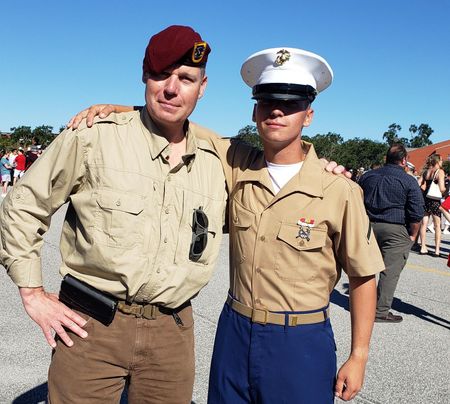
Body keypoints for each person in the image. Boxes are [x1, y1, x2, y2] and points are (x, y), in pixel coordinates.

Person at [72, 47, 384, 403]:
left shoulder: (338, 189)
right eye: (267, 102)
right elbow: (181, 122)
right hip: (235, 331)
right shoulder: (235, 162)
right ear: (255, 110)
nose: (277, 110)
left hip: (300, 339)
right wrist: (118, 109)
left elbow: (362, 277)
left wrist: (358, 356)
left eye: (291, 104)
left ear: (308, 115)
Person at [0, 25, 228, 404]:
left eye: (186, 79)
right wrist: (33, 293)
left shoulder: (216, 161)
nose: (172, 88)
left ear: (202, 86)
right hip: (91, 327)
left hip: (173, 336)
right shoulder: (94, 137)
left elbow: (279, 157)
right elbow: (24, 206)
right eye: (160, 75)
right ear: (144, 75)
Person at [359, 144, 424, 323]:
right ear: (404, 160)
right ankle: (380, 312)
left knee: (365, 269)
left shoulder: (367, 176)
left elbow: (356, 199)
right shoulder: (408, 180)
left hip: (368, 226)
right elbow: (417, 211)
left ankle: (361, 305)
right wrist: (413, 235)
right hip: (395, 227)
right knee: (390, 272)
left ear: (386, 158)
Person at [418, 154, 446, 256]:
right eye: (441, 160)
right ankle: (437, 250)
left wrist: (424, 190)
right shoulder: (440, 172)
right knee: (437, 225)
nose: (442, 162)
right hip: (435, 201)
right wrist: (445, 192)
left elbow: (418, 183)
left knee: (424, 224)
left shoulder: (426, 172)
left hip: (426, 199)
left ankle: (423, 247)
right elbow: (442, 188)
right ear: (437, 161)